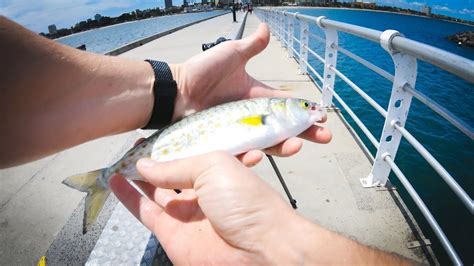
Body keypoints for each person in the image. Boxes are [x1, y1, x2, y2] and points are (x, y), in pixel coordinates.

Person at [0, 16, 409, 264]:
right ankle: (103, 180)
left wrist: (177, 89)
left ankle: (105, 178)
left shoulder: (280, 120)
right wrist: (177, 88)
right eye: (303, 105)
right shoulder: (276, 115)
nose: (311, 109)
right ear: (281, 110)